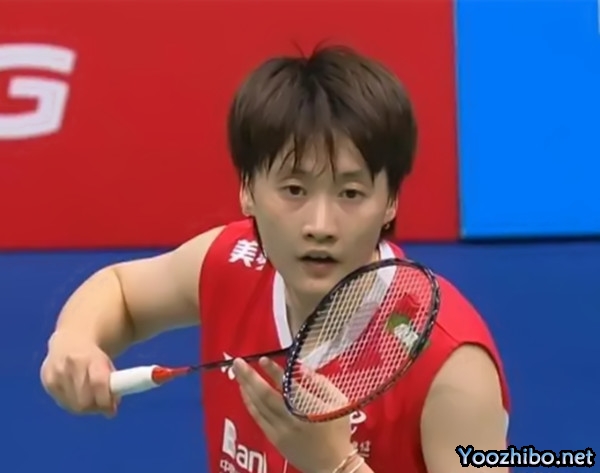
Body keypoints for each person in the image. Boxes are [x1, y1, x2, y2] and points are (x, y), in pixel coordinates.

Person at [40, 44, 511, 473]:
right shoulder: (230, 262)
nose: (320, 225)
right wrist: (75, 340)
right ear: (247, 190)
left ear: (390, 201)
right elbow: (122, 292)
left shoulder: (451, 365)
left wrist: (339, 465)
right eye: (294, 190)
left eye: (350, 193)